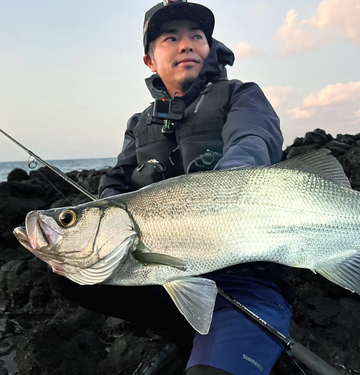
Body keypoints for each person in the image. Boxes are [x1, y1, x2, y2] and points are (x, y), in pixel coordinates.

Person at [50, 1, 292, 374]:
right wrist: (111, 226)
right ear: (150, 60)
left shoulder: (240, 94)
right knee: (70, 270)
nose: (187, 44)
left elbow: (253, 139)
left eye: (197, 36)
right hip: (162, 274)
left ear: (209, 48)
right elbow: (116, 178)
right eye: (170, 38)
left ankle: (235, 323)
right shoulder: (140, 122)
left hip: (242, 279)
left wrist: (222, 191)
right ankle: (180, 323)